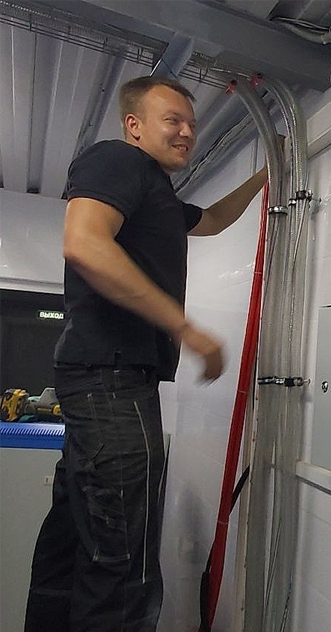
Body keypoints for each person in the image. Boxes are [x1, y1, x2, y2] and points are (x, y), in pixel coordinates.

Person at [24, 75, 268, 632]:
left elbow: (212, 221)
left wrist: (263, 176)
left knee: (75, 540)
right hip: (112, 380)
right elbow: (84, 242)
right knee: (123, 566)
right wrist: (186, 329)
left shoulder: (155, 194)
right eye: (172, 120)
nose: (186, 132)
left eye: (191, 123)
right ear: (133, 126)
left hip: (103, 381)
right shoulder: (117, 161)